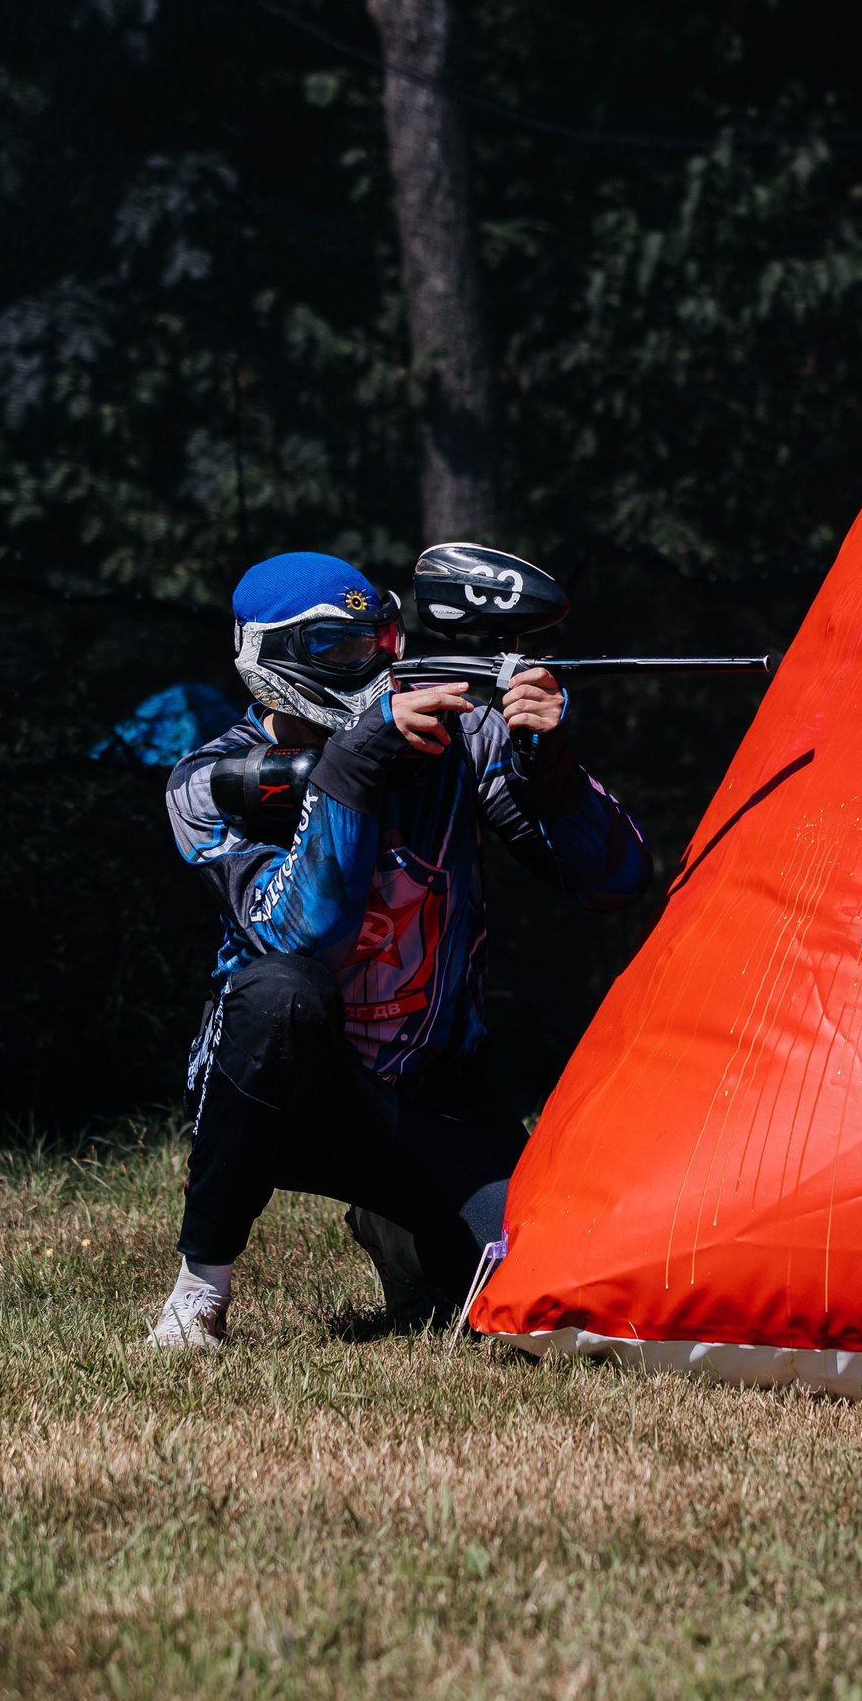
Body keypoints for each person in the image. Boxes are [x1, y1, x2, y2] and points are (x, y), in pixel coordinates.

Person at [146, 550, 651, 1347]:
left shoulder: (459, 740)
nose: (378, 664)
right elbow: (299, 937)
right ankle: (199, 1287)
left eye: (384, 640)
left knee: (551, 1301)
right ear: (271, 659)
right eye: (342, 651)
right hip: (290, 1094)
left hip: (432, 1098)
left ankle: (404, 1228)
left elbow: (616, 882)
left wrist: (548, 768)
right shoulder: (205, 783)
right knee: (280, 994)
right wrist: (349, 772)